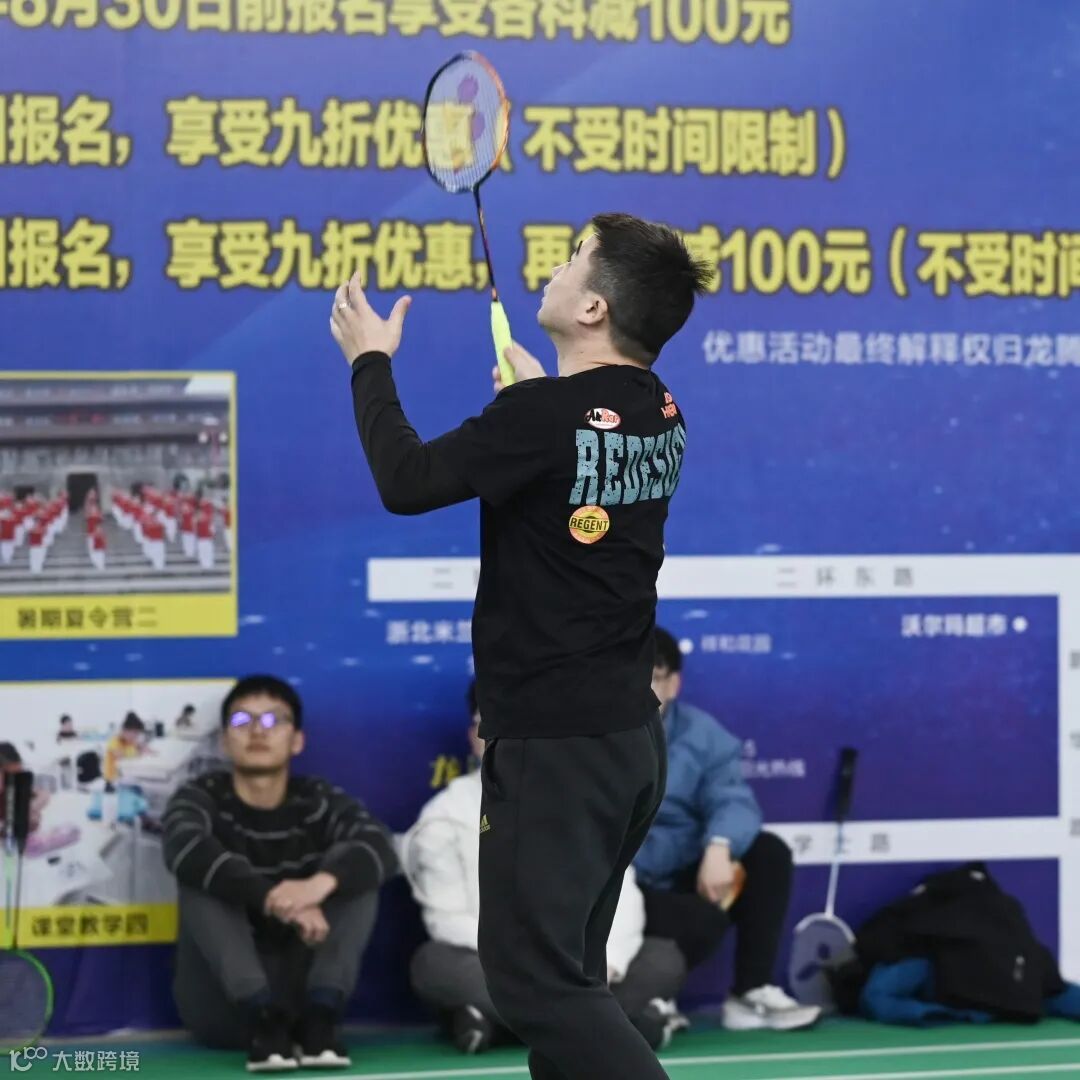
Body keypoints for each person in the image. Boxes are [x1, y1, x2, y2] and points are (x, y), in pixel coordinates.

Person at [331, 212, 709, 1080]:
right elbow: (578, 453)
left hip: (555, 743)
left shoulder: (544, 416)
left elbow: (407, 481)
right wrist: (541, 396)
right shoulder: (661, 408)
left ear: (595, 309)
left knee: (536, 988)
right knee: (567, 983)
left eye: (576, 259)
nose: (556, 268)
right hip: (625, 742)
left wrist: (369, 361)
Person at [405, 682, 689, 1055]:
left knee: (663, 957)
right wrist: (528, 956)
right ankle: (620, 1023)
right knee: (432, 964)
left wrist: (609, 963)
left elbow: (622, 897)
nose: (504, 737)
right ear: (473, 735)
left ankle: (498, 1023)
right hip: (500, 961)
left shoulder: (582, 800)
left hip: (585, 960)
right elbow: (444, 918)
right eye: (489, 723)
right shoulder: (445, 813)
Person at [162, 675, 398, 1072]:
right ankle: (261, 1018)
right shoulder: (199, 797)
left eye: (273, 720)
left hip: (303, 1002)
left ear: (297, 740)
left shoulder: (318, 800)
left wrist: (317, 886)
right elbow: (183, 847)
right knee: (200, 870)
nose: (258, 731)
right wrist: (274, 898)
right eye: (242, 721)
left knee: (354, 863)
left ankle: (322, 1017)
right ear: (224, 741)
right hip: (223, 1007)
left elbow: (381, 846)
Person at [634, 628, 820, 1032]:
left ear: (673, 684)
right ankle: (649, 993)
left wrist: (719, 846)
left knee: (767, 854)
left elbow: (733, 799)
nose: (640, 690)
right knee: (698, 922)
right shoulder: (593, 736)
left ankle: (750, 992)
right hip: (620, 881)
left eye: (652, 677)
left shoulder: (703, 735)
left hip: (684, 872)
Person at [102, 712, 149, 791]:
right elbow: (121, 756)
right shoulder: (115, 741)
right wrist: (138, 751)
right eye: (135, 733)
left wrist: (143, 749)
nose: (136, 736)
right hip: (112, 782)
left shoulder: (130, 742)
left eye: (137, 734)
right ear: (125, 731)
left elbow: (142, 751)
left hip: (125, 778)